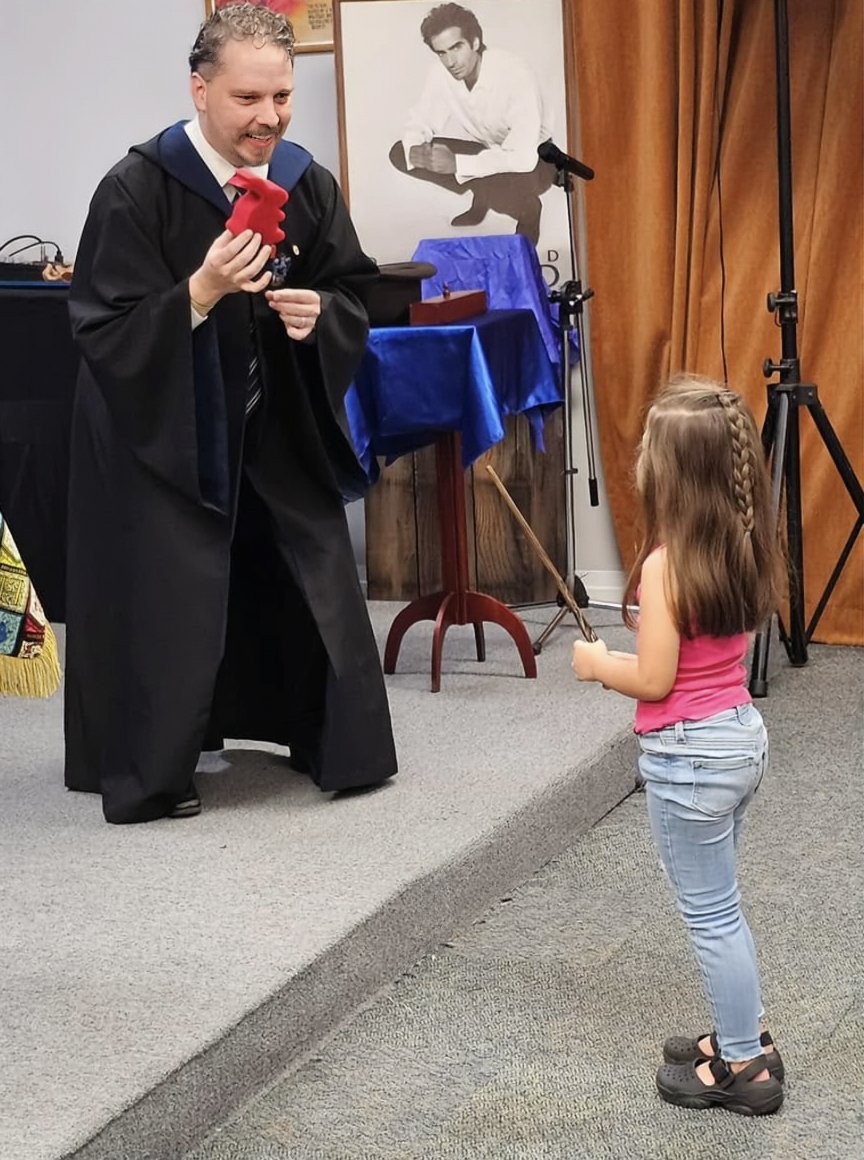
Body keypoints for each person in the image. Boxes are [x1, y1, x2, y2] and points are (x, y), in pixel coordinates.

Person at [65, 2, 397, 824]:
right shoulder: (135, 189)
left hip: (272, 419)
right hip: (166, 439)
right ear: (200, 89)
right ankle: (158, 764)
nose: (270, 117)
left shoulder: (304, 180)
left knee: (309, 565)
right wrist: (200, 292)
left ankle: (325, 738)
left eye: (282, 96)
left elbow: (355, 288)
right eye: (249, 98)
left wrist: (323, 311)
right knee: (177, 588)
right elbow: (101, 332)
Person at [571, 376, 785, 1116]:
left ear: (671, 475)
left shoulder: (666, 567)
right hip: (739, 742)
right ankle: (740, 1031)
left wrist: (600, 665)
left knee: (713, 915)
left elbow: (656, 678)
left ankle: (744, 1066)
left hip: (690, 758)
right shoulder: (746, 537)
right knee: (723, 905)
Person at [388, 3, 556, 245]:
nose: (450, 62)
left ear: (475, 42)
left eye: (456, 47)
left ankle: (527, 209)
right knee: (400, 153)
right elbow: (421, 119)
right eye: (441, 53)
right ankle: (483, 195)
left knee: (509, 179)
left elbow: (522, 158)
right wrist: (417, 147)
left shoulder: (514, 73)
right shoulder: (441, 73)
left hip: (536, 160)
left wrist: (455, 163)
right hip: (489, 150)